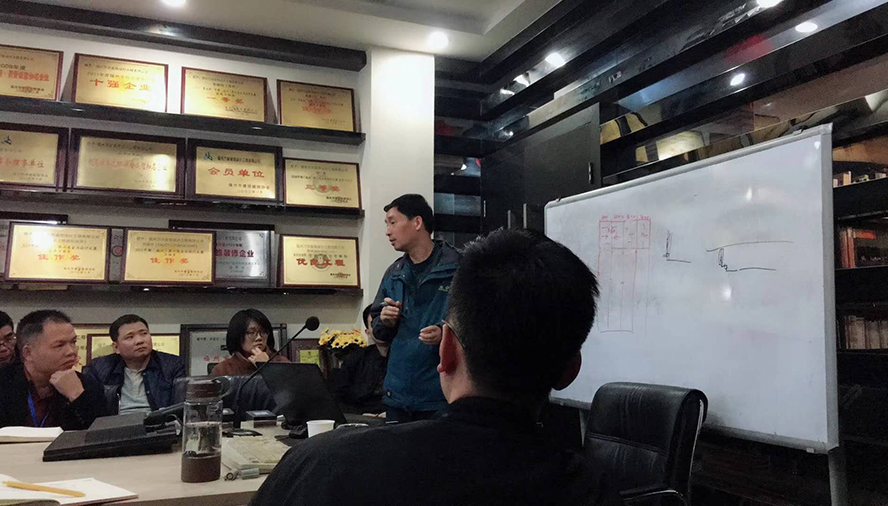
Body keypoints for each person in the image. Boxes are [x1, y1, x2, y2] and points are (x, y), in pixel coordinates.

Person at [251, 228, 619, 506]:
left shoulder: (321, 465)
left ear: (446, 351)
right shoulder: (594, 491)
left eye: (392, 221)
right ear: (570, 370)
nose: (388, 229)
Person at [370, 194, 460, 422]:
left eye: (393, 222)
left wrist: (445, 334)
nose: (388, 232)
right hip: (398, 395)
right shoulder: (395, 272)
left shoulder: (459, 267)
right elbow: (378, 330)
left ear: (417, 222)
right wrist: (385, 321)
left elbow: (479, 323)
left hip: (442, 394)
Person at [0, 310, 106, 430]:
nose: (71, 352)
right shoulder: (1, 383)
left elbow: (102, 435)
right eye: (59, 345)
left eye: (73, 342)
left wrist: (78, 397)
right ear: (28, 353)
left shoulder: (87, 385)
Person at [85, 315, 186, 415]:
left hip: (158, 422)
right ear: (116, 347)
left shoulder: (171, 365)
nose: (139, 341)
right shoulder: (99, 368)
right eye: (130, 337)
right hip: (115, 423)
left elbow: (180, 408)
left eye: (144, 334)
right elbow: (90, 410)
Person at [331, 304, 388, 414]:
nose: (381, 329)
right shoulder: (355, 359)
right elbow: (337, 398)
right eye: (375, 324)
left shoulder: (406, 358)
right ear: (368, 332)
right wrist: (360, 414)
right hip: (361, 417)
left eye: (384, 323)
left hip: (396, 418)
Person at [211, 309, 288, 376]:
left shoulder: (281, 363)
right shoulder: (223, 369)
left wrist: (267, 367)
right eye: (251, 332)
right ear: (237, 336)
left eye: (263, 332)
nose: (259, 337)